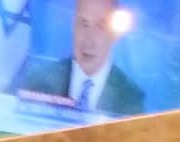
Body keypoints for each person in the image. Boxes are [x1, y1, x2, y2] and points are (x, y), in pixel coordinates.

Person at [14, 0, 147, 117]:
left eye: (101, 26)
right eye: (83, 23)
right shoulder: (38, 82)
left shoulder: (131, 99)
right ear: (73, 27)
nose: (89, 40)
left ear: (115, 35)